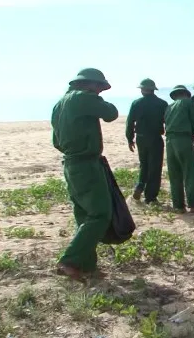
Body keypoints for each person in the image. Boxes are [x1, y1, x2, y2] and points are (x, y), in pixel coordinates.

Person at [51, 68, 119, 281]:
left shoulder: (59, 104)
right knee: (100, 214)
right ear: (88, 84)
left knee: (84, 215)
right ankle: (69, 261)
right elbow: (111, 113)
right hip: (87, 165)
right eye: (98, 87)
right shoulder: (82, 98)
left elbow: (56, 142)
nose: (99, 92)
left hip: (70, 164)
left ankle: (86, 265)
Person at [164, 85, 194, 215]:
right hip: (182, 140)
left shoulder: (169, 106)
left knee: (175, 174)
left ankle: (178, 206)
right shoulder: (187, 102)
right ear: (185, 94)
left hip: (169, 141)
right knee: (190, 172)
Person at [126, 78, 168, 204]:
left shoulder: (136, 103)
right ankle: (150, 197)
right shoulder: (162, 104)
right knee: (155, 167)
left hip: (141, 137)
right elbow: (168, 122)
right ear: (153, 90)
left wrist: (130, 138)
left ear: (143, 90)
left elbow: (130, 122)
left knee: (144, 164)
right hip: (155, 137)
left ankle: (140, 186)